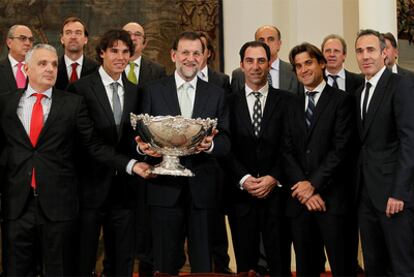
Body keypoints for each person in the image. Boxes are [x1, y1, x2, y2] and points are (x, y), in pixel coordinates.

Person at [0, 43, 150, 276]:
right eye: (42, 63)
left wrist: (130, 164)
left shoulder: (71, 103)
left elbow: (93, 145)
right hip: (17, 204)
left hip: (58, 206)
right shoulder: (6, 103)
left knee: (60, 269)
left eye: (53, 64)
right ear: (26, 69)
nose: (50, 69)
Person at [136, 31, 230, 275]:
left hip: (203, 190)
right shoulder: (152, 90)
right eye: (185, 52)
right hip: (163, 190)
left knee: (202, 265)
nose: (191, 58)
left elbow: (227, 142)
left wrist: (209, 145)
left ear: (204, 56)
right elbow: (141, 134)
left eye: (196, 53)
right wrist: (143, 148)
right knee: (164, 264)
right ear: (173, 55)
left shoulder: (217, 94)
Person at [66, 29, 143, 277]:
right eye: (114, 51)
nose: (120, 57)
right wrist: (131, 163)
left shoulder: (135, 91)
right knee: (83, 258)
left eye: (125, 52)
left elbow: (134, 137)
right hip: (90, 188)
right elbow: (88, 143)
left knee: (122, 260)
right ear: (101, 53)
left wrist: (143, 147)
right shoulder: (80, 89)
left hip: (125, 192)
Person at [284, 42, 354, 277]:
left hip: (331, 201)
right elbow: (286, 151)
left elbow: (341, 150)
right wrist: (304, 191)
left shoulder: (342, 100)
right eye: (298, 66)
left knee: (342, 267)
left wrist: (312, 185)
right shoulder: (291, 103)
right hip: (301, 205)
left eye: (308, 63)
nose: (303, 70)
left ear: (322, 63)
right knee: (306, 269)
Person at [224, 41, 292, 276]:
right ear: (241, 65)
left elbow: (290, 147)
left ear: (269, 63)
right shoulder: (227, 103)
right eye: (250, 61)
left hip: (277, 196)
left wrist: (274, 177)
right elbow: (225, 147)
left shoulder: (287, 101)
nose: (256, 66)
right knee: (246, 266)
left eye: (261, 60)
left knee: (280, 263)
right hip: (241, 196)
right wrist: (243, 178)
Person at [355, 29, 414, 276]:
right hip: (366, 195)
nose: (365, 56)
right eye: (360, 51)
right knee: (374, 264)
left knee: (401, 266)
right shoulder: (359, 91)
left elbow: (409, 141)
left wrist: (399, 192)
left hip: (393, 197)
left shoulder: (401, 85)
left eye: (371, 50)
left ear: (384, 53)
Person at [321, 33, 363, 276]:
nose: (332, 54)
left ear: (345, 55)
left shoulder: (358, 82)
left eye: (337, 50)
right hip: (323, 170)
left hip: (353, 168)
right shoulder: (315, 81)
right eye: (328, 50)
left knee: (351, 227)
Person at [231, 25, 300, 94]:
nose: (266, 43)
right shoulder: (239, 74)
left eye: (271, 39)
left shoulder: (294, 71)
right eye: (261, 40)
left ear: (279, 44)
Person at [55, 17, 98, 90]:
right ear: (62, 39)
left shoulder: (97, 69)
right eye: (68, 33)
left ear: (85, 39)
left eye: (78, 33)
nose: (73, 37)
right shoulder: (53, 68)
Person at [122, 22, 166, 86]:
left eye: (137, 34)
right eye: (127, 34)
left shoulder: (158, 71)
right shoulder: (107, 68)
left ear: (144, 44)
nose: (132, 38)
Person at [0, 25, 33, 93]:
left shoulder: (38, 69)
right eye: (23, 38)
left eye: (30, 39)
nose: (28, 43)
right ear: (9, 42)